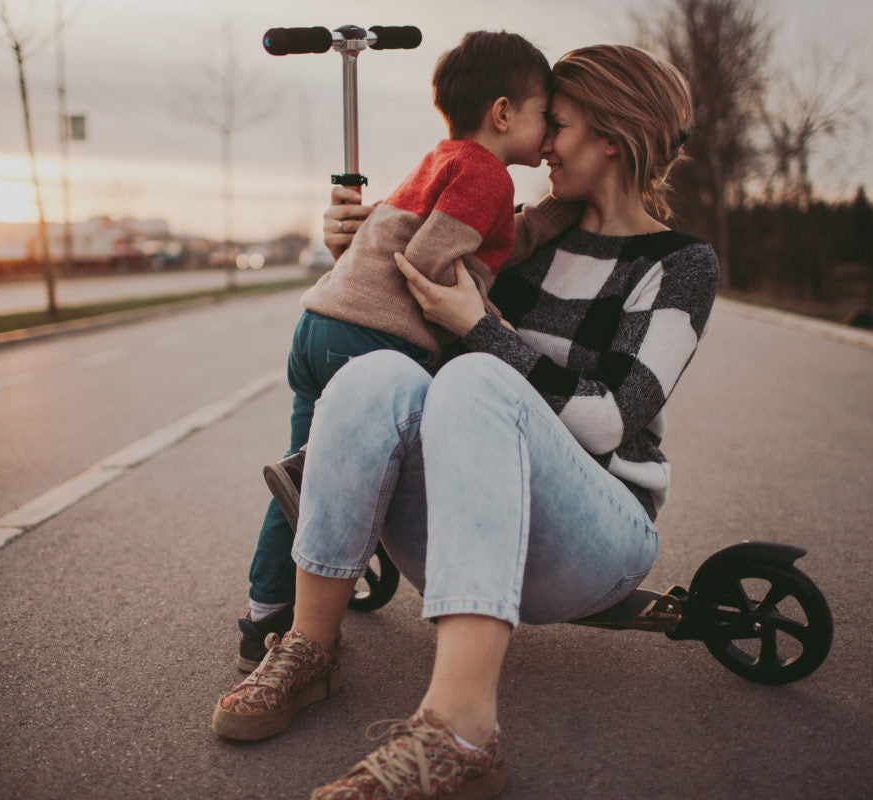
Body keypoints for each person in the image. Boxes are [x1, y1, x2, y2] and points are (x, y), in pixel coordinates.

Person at [214, 44, 720, 800]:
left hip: (595, 534)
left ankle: (459, 735)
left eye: (560, 124)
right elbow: (424, 264)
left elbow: (610, 419)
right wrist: (361, 248)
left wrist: (481, 331)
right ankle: (309, 648)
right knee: (377, 372)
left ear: (613, 136)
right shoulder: (523, 237)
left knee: (479, 375)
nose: (544, 146)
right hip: (470, 520)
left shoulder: (679, 265)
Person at [235, 30, 558, 672]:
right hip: (369, 340)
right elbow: (433, 264)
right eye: (544, 115)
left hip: (322, 326)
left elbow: (485, 239)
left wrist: (552, 215)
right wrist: (489, 324)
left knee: (304, 482)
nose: (549, 133)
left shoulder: (445, 160)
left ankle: (265, 613)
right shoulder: (487, 174)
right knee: (344, 470)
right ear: (503, 113)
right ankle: (312, 590)